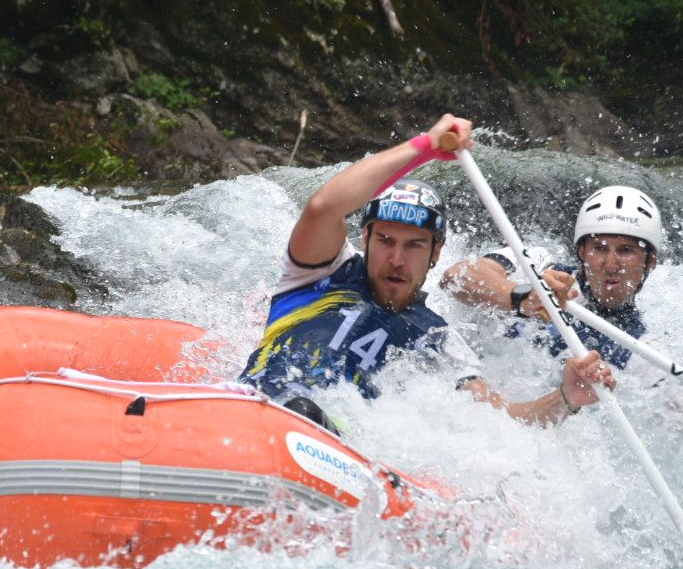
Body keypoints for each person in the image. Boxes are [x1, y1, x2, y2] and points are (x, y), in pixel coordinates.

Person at [241, 114, 617, 430]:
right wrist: (425, 147)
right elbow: (324, 205)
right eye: (386, 240)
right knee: (300, 410)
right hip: (256, 412)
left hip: (333, 448)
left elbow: (502, 424)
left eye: (414, 245)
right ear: (365, 237)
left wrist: (567, 398)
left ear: (436, 253)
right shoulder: (319, 272)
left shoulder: (436, 339)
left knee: (311, 416)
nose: (396, 258)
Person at [441, 184, 683, 456]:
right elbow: (457, 277)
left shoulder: (639, 353)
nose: (610, 263)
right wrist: (521, 296)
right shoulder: (536, 264)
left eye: (626, 251)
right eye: (599, 248)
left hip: (517, 432)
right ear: (582, 251)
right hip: (451, 387)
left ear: (649, 262)